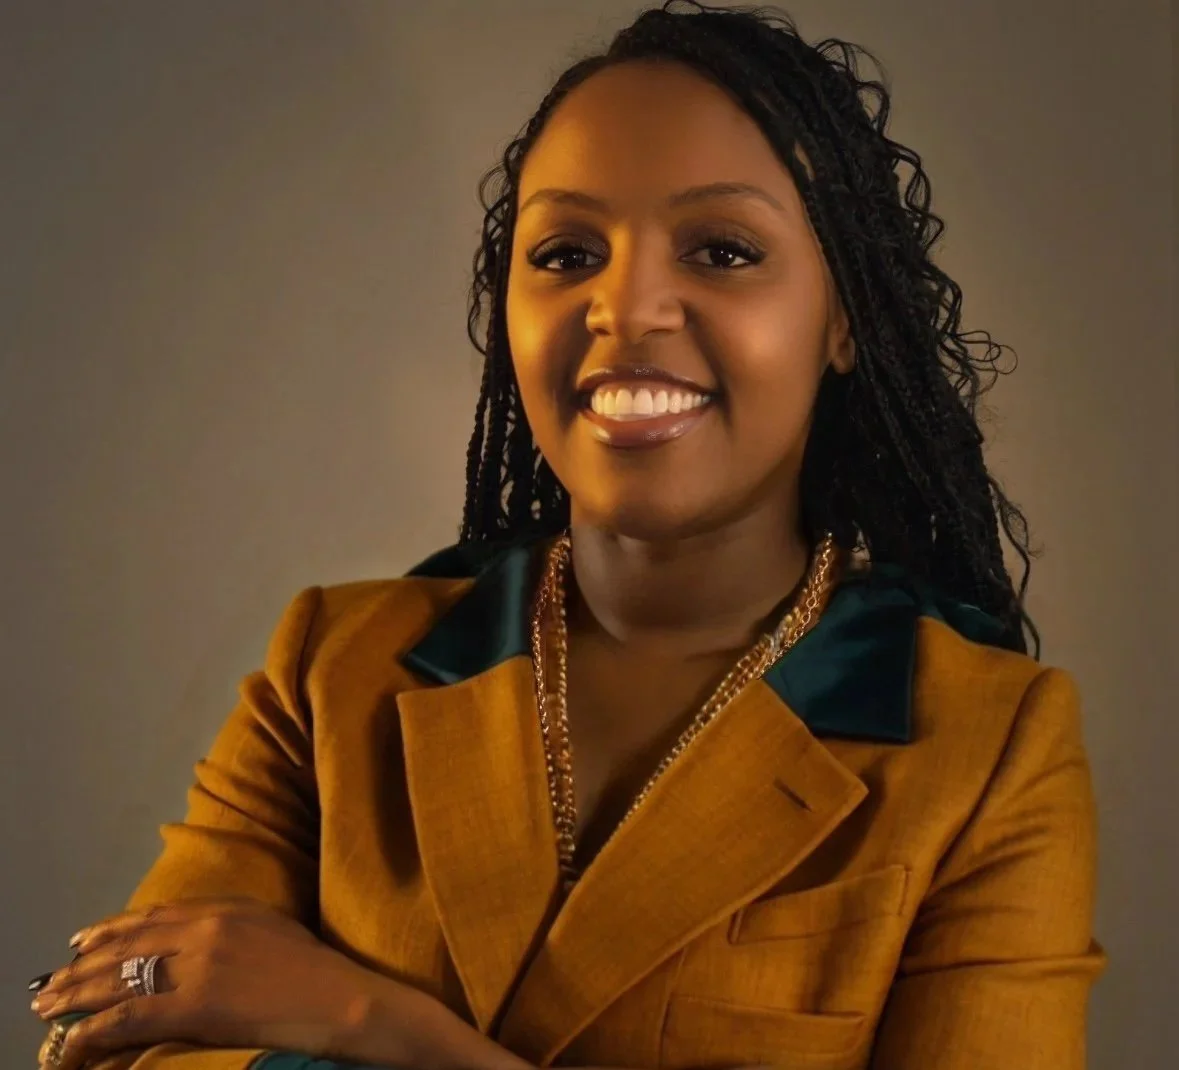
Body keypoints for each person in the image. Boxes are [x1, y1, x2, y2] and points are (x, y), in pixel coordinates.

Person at [28, 2, 1104, 1068]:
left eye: (723, 250)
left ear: (843, 318)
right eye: (567, 251)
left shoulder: (987, 747)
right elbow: (123, 1046)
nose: (626, 307)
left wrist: (372, 1022)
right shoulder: (328, 671)